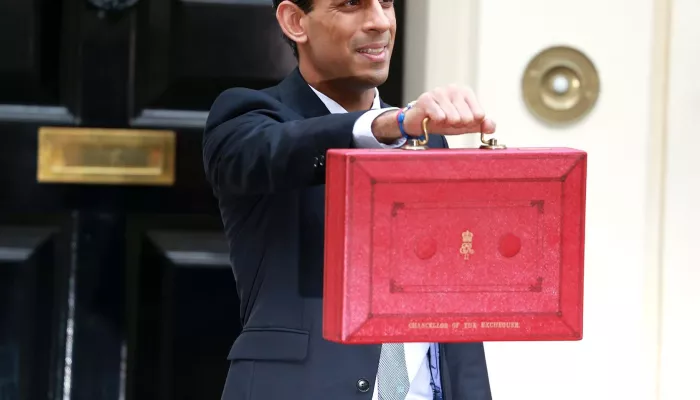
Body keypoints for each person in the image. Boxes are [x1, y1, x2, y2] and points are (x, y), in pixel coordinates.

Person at [202, 0, 495, 399]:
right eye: (351, 5)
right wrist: (387, 126)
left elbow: (453, 299)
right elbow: (277, 151)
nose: (379, 22)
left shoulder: (429, 139)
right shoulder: (247, 118)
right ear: (295, 21)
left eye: (386, 3)